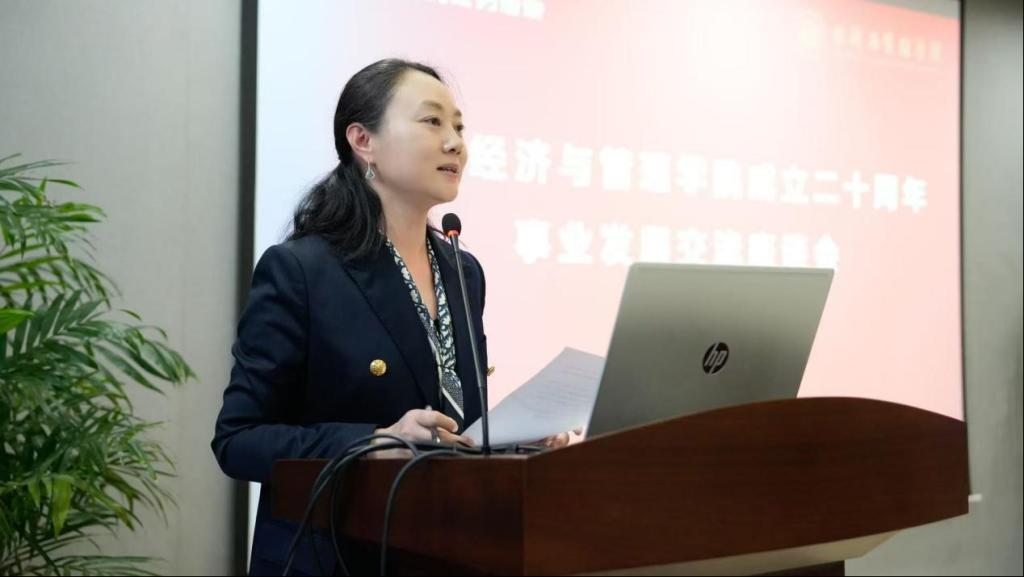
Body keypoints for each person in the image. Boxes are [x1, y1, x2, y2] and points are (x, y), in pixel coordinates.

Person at [211, 59, 570, 575]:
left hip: (443, 550)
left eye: (459, 127)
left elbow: (452, 430)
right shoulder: (302, 270)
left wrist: (514, 442)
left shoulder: (462, 270)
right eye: (432, 121)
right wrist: (372, 442)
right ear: (363, 141)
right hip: (333, 557)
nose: (455, 143)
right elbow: (239, 439)